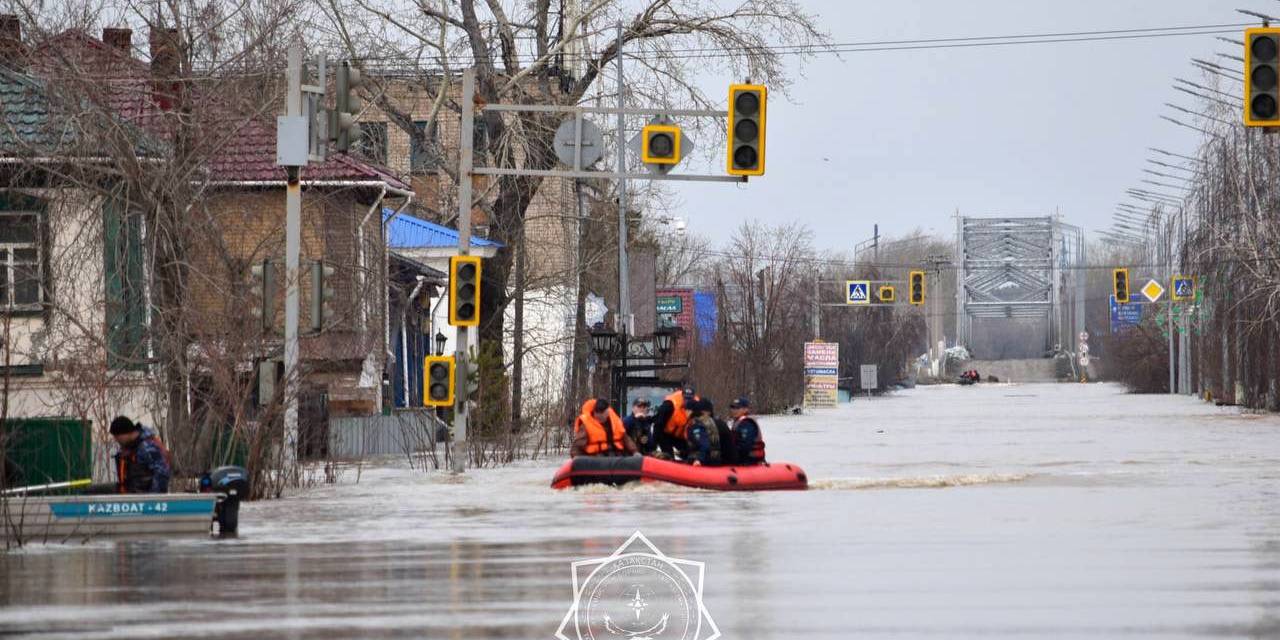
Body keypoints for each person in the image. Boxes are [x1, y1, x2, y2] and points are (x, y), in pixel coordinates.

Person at [110, 416, 172, 494]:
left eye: (117, 437)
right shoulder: (128, 449)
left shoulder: (148, 447)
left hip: (147, 499)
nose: (116, 440)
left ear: (125, 433)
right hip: (132, 498)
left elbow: (162, 473)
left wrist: (152, 498)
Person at [571, 398, 638, 457]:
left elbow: (625, 438)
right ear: (594, 412)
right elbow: (577, 447)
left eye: (603, 413)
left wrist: (635, 452)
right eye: (597, 414)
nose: (600, 416)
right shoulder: (586, 426)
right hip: (596, 458)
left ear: (607, 411)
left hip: (616, 456)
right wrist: (577, 460)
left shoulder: (615, 421)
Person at [653, 386, 697, 459]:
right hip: (665, 434)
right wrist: (654, 444)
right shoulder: (669, 405)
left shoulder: (697, 406)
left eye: (690, 398)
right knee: (668, 455)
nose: (687, 401)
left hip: (681, 436)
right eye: (686, 398)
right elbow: (658, 424)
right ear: (682, 397)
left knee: (690, 454)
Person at [728, 396, 766, 465]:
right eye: (733, 408)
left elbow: (745, 446)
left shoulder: (747, 423)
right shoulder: (737, 422)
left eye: (738, 408)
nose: (734, 410)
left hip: (750, 460)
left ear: (746, 409)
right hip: (742, 459)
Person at [684, 399, 722, 466]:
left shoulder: (696, 424)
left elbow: (704, 444)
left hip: (705, 460)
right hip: (713, 458)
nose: (685, 412)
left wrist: (699, 459)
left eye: (687, 410)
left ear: (692, 411)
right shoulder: (706, 420)